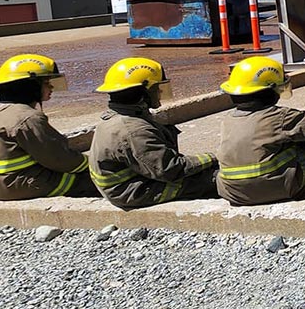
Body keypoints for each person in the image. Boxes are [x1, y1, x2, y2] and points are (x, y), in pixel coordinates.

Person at [89, 57, 218, 209]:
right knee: (216, 178)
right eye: (157, 88)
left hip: (132, 184)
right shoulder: (134, 130)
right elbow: (170, 169)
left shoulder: (120, 118)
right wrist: (211, 158)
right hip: (135, 192)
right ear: (145, 91)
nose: (159, 93)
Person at [0, 54, 98, 200]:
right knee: (107, 182)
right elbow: (59, 159)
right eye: (46, 82)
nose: (51, 87)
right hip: (24, 186)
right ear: (30, 86)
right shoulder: (28, 118)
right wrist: (94, 165)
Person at [216, 56, 305, 206]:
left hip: (232, 193)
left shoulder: (228, 119)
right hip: (266, 190)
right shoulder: (280, 117)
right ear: (270, 90)